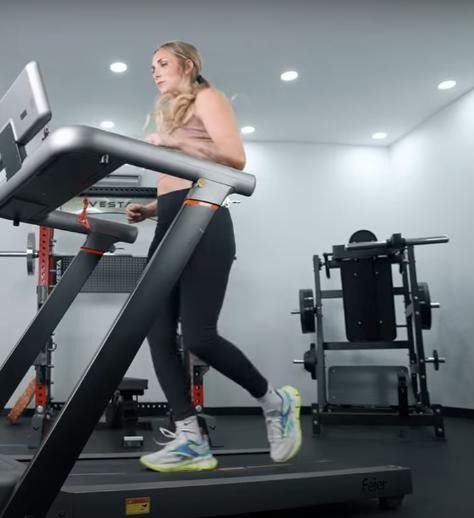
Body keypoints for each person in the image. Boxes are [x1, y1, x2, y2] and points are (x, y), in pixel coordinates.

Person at [125, 41, 302, 473]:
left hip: (204, 223)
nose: (155, 71)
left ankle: (273, 402)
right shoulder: (174, 112)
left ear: (188, 65)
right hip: (170, 221)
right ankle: (189, 438)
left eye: (162, 63)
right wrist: (150, 208)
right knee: (157, 331)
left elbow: (235, 159)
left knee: (199, 337)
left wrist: (174, 144)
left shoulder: (208, 97)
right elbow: (177, 181)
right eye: (151, 66)